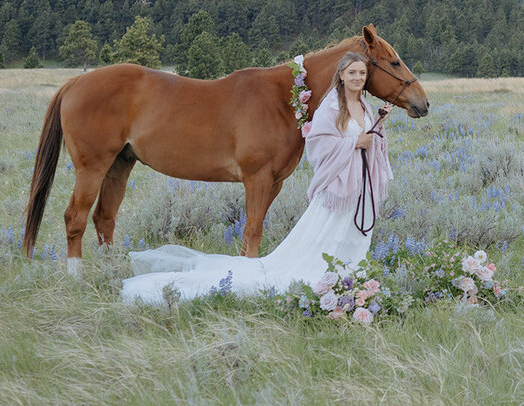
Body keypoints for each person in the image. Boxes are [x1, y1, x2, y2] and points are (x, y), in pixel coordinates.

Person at [121, 52, 393, 303]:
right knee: (325, 242)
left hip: (360, 187)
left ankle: (351, 282)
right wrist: (354, 143)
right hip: (338, 189)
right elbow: (319, 146)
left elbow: (370, 140)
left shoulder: (365, 107)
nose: (358, 78)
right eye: (352, 73)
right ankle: (326, 281)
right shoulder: (330, 107)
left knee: (351, 238)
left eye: (361, 73)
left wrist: (375, 132)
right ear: (341, 76)